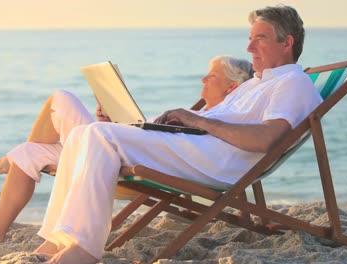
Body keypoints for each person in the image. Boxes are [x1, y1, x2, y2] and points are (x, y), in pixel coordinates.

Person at [34, 4, 323, 263]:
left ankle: (84, 247)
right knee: (84, 132)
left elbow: (265, 139)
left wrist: (197, 121)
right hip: (194, 146)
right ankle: (57, 238)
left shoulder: (293, 84)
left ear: (287, 43)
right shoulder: (256, 83)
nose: (249, 48)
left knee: (99, 136)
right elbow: (223, 119)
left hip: (216, 159)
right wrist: (162, 122)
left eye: (259, 38)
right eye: (250, 39)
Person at [0, 55, 253, 243]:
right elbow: (150, 137)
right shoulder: (200, 116)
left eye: (212, 76)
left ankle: (8, 159)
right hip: (112, 151)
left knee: (61, 99)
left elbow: (177, 152)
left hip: (122, 164)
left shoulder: (224, 119)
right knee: (30, 153)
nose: (203, 79)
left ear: (232, 86)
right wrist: (111, 123)